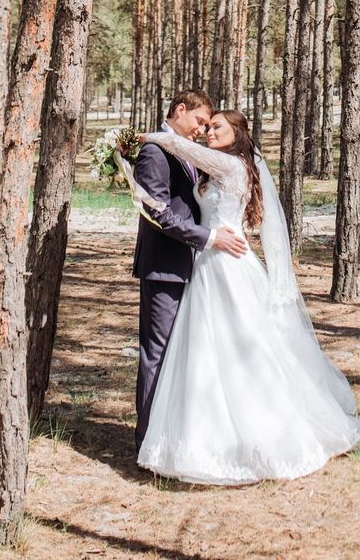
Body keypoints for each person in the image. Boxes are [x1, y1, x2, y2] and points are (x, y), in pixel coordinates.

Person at [136, 109, 360, 484]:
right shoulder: (221, 168)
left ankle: (263, 435)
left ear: (237, 133)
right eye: (207, 126)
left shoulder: (233, 166)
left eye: (216, 127)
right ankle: (204, 431)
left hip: (228, 262)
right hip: (209, 261)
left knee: (242, 347)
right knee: (204, 350)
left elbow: (180, 145)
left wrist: (147, 138)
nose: (208, 132)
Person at [132, 91, 248, 450]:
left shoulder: (186, 151)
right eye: (200, 121)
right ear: (180, 110)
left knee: (192, 354)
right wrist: (210, 237)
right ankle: (148, 439)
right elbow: (158, 214)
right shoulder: (156, 150)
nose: (203, 131)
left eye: (211, 126)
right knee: (159, 353)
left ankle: (179, 435)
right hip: (166, 265)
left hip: (199, 267)